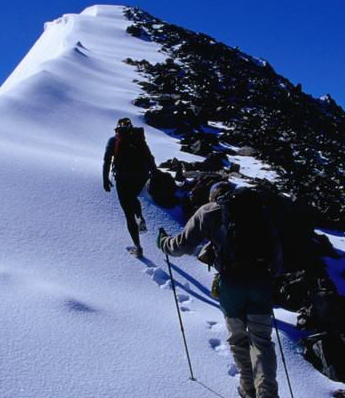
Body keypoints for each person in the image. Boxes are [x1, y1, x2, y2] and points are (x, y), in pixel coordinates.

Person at [157, 182, 282, 398]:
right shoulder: (257, 208)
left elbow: (183, 246)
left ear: (213, 196)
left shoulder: (209, 211)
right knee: (262, 340)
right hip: (261, 281)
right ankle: (267, 394)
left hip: (231, 282)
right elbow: (276, 251)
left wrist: (163, 242)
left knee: (238, 338)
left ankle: (248, 389)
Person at [103, 117, 157, 257]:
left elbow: (107, 160)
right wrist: (155, 173)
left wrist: (105, 178)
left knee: (128, 213)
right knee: (133, 198)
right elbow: (149, 157)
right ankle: (140, 217)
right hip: (141, 178)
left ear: (118, 127)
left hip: (122, 179)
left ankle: (138, 247)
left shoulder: (115, 140)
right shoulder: (138, 138)